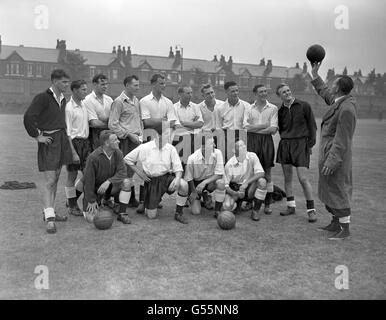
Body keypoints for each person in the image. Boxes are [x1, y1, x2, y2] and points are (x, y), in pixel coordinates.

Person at [311, 62, 357, 240]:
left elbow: (343, 139)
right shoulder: (340, 101)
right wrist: (315, 74)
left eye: (334, 83)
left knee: (338, 190)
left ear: (338, 88)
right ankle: (335, 223)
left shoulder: (347, 108)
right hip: (328, 153)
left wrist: (332, 161)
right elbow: (325, 92)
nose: (331, 85)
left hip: (336, 157)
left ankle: (344, 230)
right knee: (329, 188)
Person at [23, 69, 72, 234]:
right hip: (49, 141)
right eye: (64, 82)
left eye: (68, 82)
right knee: (49, 180)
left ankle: (50, 212)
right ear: (55, 81)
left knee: (56, 178)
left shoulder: (64, 99)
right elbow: (29, 117)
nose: (67, 85)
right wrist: (38, 136)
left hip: (61, 139)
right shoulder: (43, 97)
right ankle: (49, 219)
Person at [123, 127, 189, 224]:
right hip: (152, 181)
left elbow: (178, 167)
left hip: (166, 178)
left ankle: (179, 213)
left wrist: (178, 179)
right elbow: (127, 159)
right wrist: (139, 173)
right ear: (156, 137)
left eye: (167, 137)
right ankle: (151, 202)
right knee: (151, 216)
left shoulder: (171, 148)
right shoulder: (144, 147)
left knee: (184, 185)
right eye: (162, 138)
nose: (164, 141)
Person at [275, 83, 318, 222]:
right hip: (285, 144)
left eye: (288, 90)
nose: (287, 93)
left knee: (303, 178)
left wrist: (309, 145)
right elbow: (281, 129)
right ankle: (291, 206)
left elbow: (312, 126)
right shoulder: (280, 110)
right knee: (288, 178)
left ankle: (311, 210)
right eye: (283, 92)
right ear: (279, 96)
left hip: (301, 145)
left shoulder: (304, 105)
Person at [138, 73, 180, 213]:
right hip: (149, 139)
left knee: (161, 170)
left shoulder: (168, 102)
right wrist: (164, 121)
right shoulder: (144, 101)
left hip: (164, 141)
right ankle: (143, 201)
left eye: (164, 83)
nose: (164, 86)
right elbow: (147, 122)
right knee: (147, 170)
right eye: (161, 83)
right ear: (154, 84)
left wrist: (160, 122)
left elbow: (173, 122)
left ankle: (156, 199)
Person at [81, 130, 132, 225]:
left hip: (110, 186)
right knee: (91, 219)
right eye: (115, 140)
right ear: (107, 143)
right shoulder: (93, 157)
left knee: (127, 182)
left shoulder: (118, 153)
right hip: (96, 189)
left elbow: (123, 172)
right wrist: (91, 200)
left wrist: (109, 181)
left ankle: (122, 213)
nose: (119, 141)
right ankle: (99, 201)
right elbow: (88, 181)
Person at [108, 75, 142, 208]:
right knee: (122, 170)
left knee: (131, 171)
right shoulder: (119, 101)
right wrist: (128, 134)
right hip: (124, 141)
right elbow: (113, 124)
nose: (138, 87)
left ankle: (131, 198)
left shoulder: (136, 100)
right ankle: (117, 201)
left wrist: (139, 136)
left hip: (135, 141)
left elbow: (138, 121)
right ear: (127, 85)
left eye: (138, 85)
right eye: (135, 85)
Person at [243, 84, 278, 215]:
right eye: (261, 92)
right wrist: (264, 125)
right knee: (251, 172)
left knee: (267, 173)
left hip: (266, 143)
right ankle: (249, 201)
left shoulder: (273, 108)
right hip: (251, 141)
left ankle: (268, 203)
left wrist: (255, 128)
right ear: (255, 94)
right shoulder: (249, 108)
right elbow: (246, 127)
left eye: (265, 91)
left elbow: (273, 130)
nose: (264, 93)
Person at [64, 80, 91, 216]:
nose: (86, 92)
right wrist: (73, 153)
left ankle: (71, 199)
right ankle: (72, 206)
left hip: (86, 144)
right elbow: (67, 133)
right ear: (74, 90)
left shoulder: (84, 105)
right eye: (83, 89)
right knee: (72, 175)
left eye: (86, 89)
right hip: (74, 144)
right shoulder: (69, 108)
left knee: (88, 174)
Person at [223, 140, 267, 221]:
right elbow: (226, 186)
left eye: (244, 145)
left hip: (250, 186)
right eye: (240, 146)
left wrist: (246, 183)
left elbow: (261, 173)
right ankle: (239, 202)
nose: (244, 147)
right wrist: (236, 193)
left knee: (262, 182)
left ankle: (255, 211)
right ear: (233, 150)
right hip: (235, 187)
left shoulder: (252, 156)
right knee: (227, 206)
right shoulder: (229, 165)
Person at [184, 136, 226, 218]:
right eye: (211, 144)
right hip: (195, 183)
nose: (214, 145)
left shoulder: (218, 153)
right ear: (203, 146)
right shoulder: (192, 158)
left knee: (221, 183)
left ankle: (217, 211)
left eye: (214, 143)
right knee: (196, 212)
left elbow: (219, 174)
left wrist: (204, 183)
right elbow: (189, 178)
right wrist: (193, 192)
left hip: (210, 181)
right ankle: (202, 197)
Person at [215, 81, 250, 163]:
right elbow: (218, 127)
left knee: (241, 161)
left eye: (237, 90)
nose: (235, 93)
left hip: (241, 135)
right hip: (226, 136)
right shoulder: (220, 108)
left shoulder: (246, 106)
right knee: (227, 161)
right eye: (233, 91)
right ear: (226, 92)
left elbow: (247, 124)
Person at [173, 84, 204, 166]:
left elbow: (200, 123)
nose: (190, 95)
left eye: (191, 93)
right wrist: (193, 124)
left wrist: (184, 123)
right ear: (180, 94)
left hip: (194, 138)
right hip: (179, 139)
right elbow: (177, 127)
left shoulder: (195, 107)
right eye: (188, 93)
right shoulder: (174, 108)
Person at [84, 74, 113, 151]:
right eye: (102, 84)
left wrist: (106, 121)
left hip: (110, 137)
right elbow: (94, 123)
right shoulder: (87, 100)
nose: (105, 86)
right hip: (95, 138)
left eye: (106, 84)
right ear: (95, 84)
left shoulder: (109, 100)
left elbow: (114, 119)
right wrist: (109, 122)